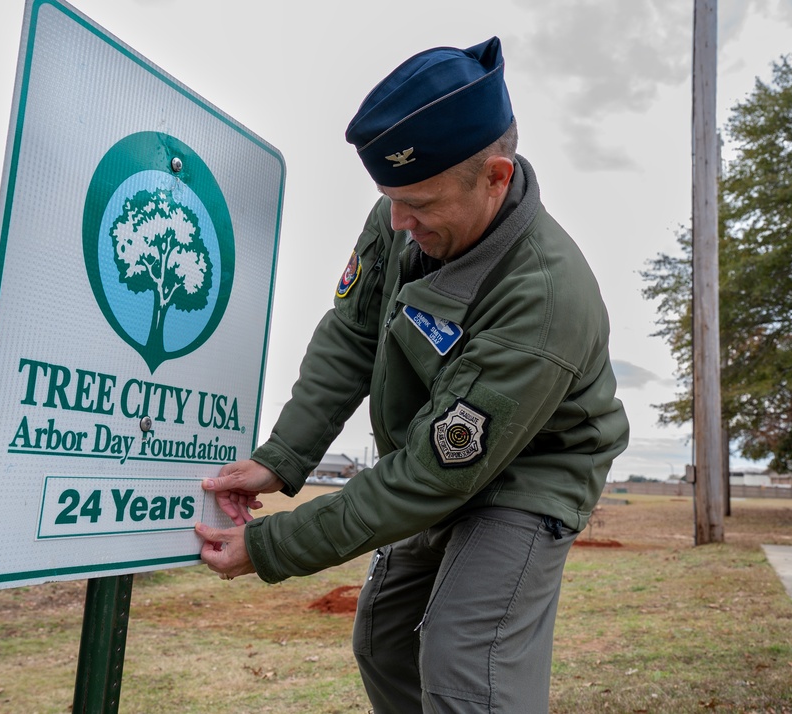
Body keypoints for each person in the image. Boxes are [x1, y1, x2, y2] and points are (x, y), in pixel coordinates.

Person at [195, 36, 629, 713]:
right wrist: (281, 458)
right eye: (389, 198)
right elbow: (353, 331)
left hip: (530, 473)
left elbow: (432, 475)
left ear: (497, 177)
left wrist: (272, 544)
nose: (398, 221)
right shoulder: (401, 215)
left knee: (465, 663)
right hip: (433, 451)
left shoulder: (544, 298)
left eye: (419, 203)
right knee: (385, 640)